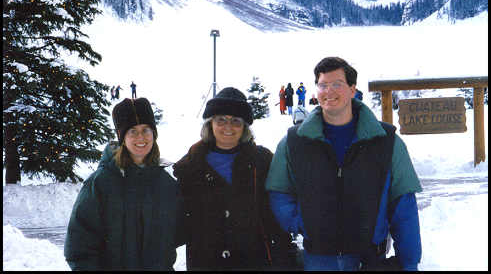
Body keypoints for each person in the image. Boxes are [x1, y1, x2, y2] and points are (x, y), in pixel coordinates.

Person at [266, 57, 422, 271]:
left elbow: (404, 206)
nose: (328, 91)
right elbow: (278, 191)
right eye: (323, 85)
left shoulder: (387, 141)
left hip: (369, 260)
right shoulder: (293, 142)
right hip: (318, 260)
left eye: (337, 84)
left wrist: (410, 262)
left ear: (352, 89)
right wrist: (300, 222)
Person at [173, 87, 298, 271]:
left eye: (236, 121)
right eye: (221, 120)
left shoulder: (262, 161)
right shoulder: (190, 166)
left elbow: (275, 213)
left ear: (245, 127)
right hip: (206, 263)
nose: (228, 127)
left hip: (254, 261)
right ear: (210, 123)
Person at [64, 98, 184, 270]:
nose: (140, 137)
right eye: (132, 131)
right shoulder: (100, 183)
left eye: (146, 130)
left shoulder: (166, 184)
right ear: (122, 137)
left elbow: (178, 233)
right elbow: (78, 248)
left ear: (154, 134)